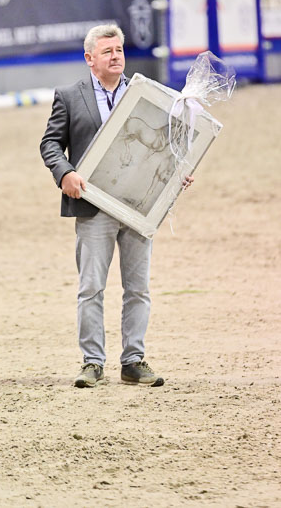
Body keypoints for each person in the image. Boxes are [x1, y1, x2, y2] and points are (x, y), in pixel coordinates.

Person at [40, 24, 193, 389]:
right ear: (89, 58)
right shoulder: (69, 96)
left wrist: (176, 174)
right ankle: (92, 362)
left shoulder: (148, 96)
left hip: (139, 207)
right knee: (91, 288)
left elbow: (165, 147)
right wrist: (65, 173)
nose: (116, 56)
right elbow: (49, 144)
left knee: (138, 288)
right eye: (107, 51)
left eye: (119, 50)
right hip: (93, 208)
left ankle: (133, 360)